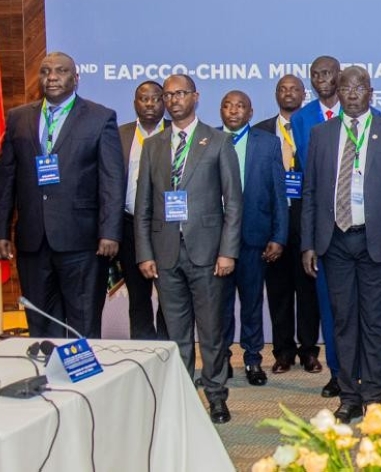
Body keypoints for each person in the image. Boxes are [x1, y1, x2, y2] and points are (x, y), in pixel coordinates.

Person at [300, 66, 381, 423]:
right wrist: (308, 243)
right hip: (334, 241)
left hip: (375, 242)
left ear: (371, 92)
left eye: (359, 87)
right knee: (343, 322)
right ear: (337, 92)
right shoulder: (321, 134)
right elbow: (310, 193)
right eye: (345, 88)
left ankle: (374, 396)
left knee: (374, 324)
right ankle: (349, 396)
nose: (352, 94)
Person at [134, 74, 242, 423]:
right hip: (165, 253)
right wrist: (144, 252)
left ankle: (216, 396)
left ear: (195, 97)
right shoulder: (153, 145)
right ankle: (181, 398)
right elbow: (143, 205)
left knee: (211, 332)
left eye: (180, 93)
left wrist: (228, 251)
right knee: (176, 334)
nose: (173, 100)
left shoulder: (218, 141)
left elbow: (233, 202)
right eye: (168, 95)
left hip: (208, 253)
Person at [0, 51, 123, 339]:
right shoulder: (18, 118)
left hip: (82, 241)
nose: (52, 77)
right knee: (41, 322)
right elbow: (6, 179)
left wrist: (110, 232)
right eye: (45, 71)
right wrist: (2, 231)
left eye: (61, 71)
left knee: (83, 321)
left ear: (76, 78)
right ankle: (48, 369)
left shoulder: (100, 117)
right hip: (33, 241)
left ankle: (85, 370)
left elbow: (111, 180)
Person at [218, 90, 288, 386]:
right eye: (227, 106)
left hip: (254, 237)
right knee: (219, 305)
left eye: (240, 106)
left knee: (252, 303)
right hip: (216, 240)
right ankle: (220, 359)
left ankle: (252, 358)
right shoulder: (209, 140)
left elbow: (278, 193)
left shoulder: (268, 143)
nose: (233, 111)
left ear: (250, 112)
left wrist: (279, 236)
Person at [255, 74, 322, 375]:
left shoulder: (315, 128)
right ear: (276, 94)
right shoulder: (261, 131)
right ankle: (283, 352)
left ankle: (309, 351)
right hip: (273, 225)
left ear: (303, 94)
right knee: (278, 291)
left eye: (295, 89)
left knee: (309, 293)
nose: (288, 93)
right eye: (283, 89)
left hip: (306, 220)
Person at [290, 54, 346, 397]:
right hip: (324, 225)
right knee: (329, 307)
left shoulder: (368, 114)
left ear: (339, 76)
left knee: (360, 311)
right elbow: (308, 181)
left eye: (328, 73)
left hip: (360, 224)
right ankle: (337, 373)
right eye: (315, 74)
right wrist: (308, 239)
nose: (321, 79)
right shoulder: (301, 119)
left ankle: (360, 372)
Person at [117, 80, 169, 339]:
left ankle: (166, 348)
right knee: (138, 297)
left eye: (156, 98)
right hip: (130, 226)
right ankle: (143, 348)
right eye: (144, 98)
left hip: (167, 227)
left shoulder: (178, 132)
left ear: (165, 102)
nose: (150, 104)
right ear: (134, 103)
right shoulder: (119, 135)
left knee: (169, 294)